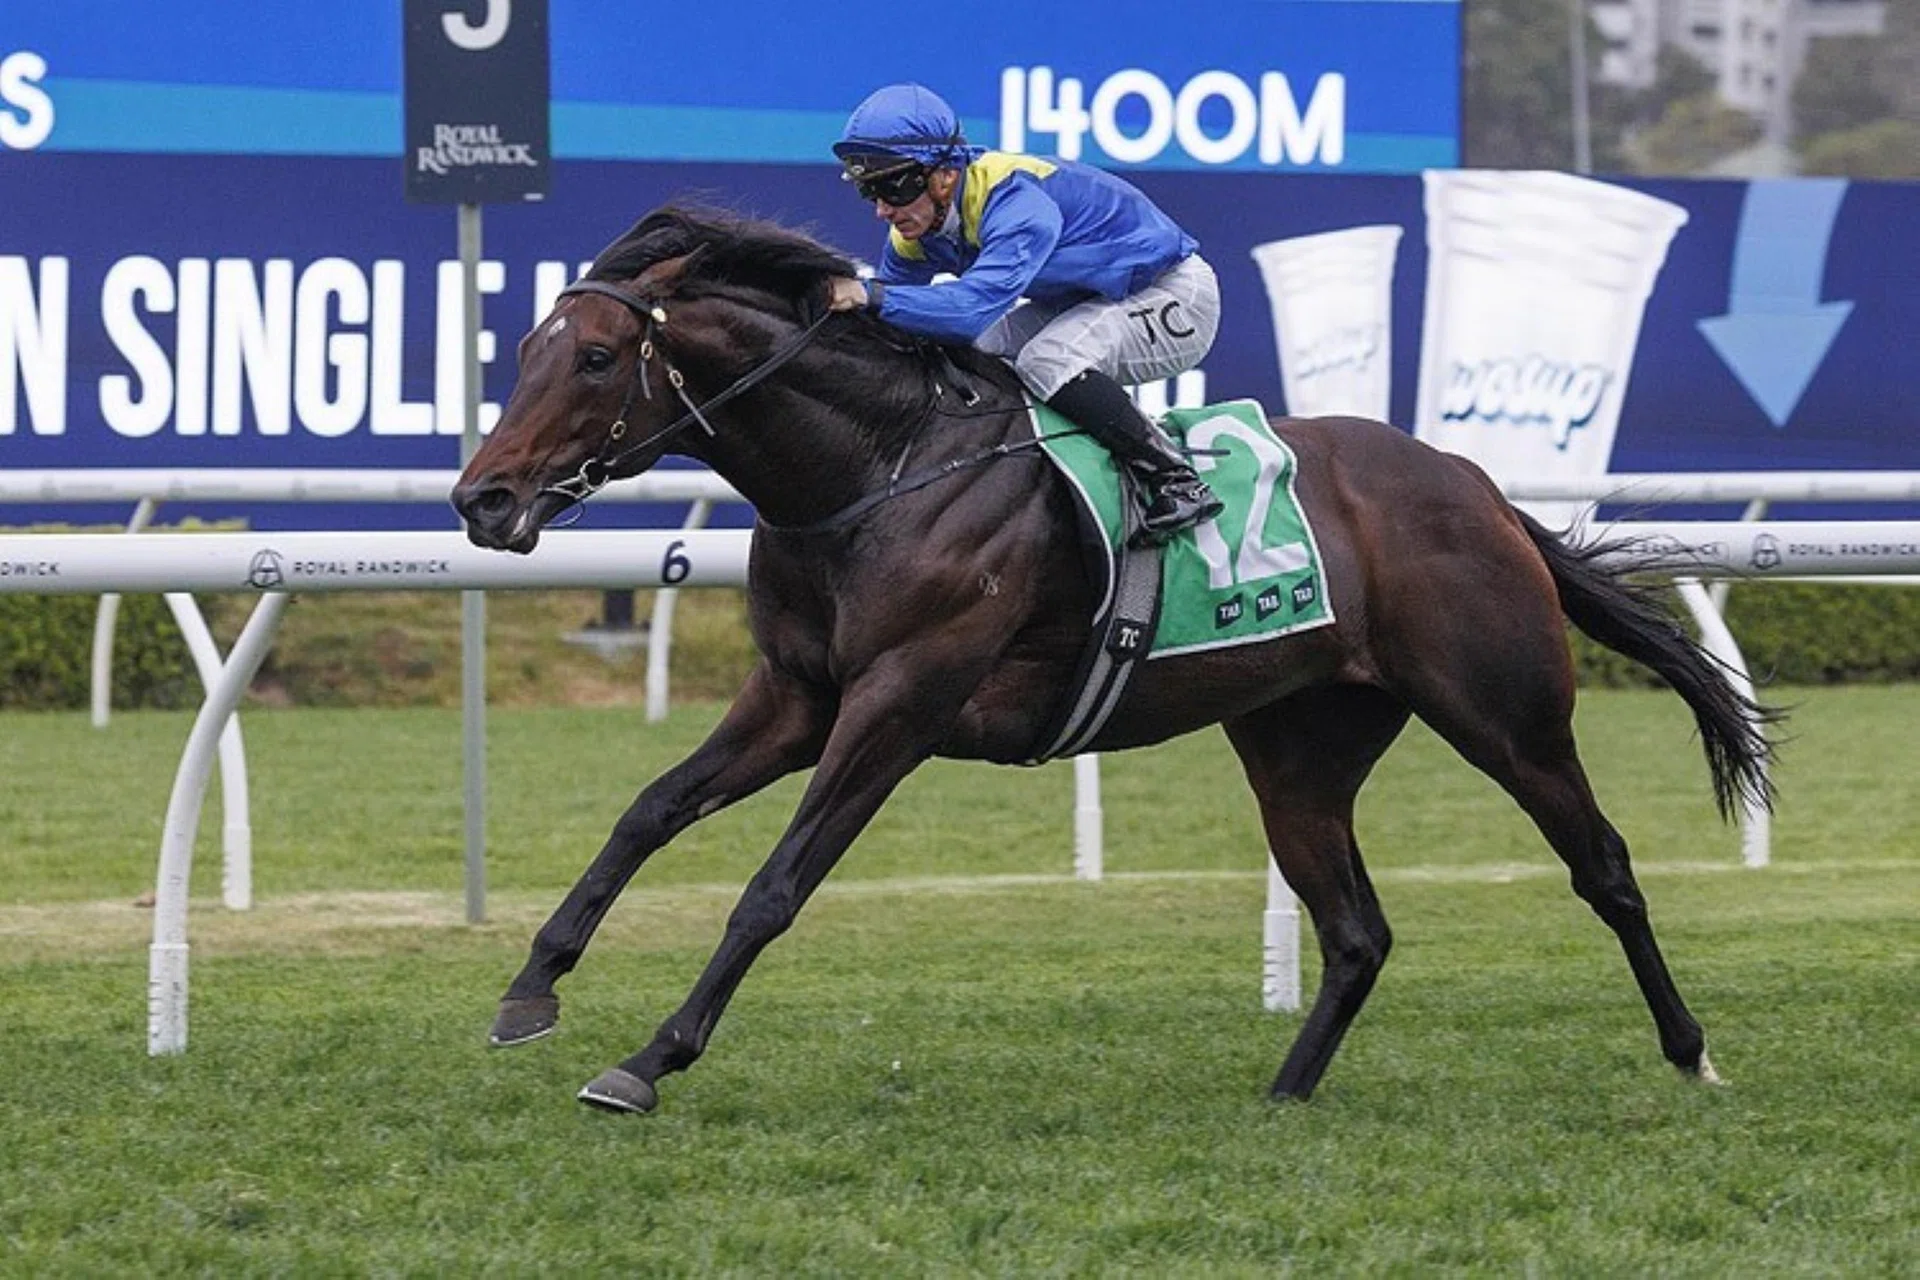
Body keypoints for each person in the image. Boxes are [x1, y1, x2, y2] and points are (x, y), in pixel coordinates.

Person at [825, 82, 1224, 546]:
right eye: (868, 190)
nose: (882, 210)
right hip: (1089, 297)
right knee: (976, 354)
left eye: (893, 185)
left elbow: (968, 310)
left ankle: (1175, 478)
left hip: (1174, 292)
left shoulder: (1017, 201)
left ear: (946, 175)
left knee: (1046, 359)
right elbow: (890, 325)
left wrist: (868, 296)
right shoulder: (916, 230)